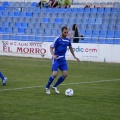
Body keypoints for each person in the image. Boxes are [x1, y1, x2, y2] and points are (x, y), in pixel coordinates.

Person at [45, 26, 80, 94]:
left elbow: (70, 48)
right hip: (56, 59)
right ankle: (47, 87)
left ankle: (55, 86)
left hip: (63, 60)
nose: (66, 33)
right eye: (65, 32)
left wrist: (75, 57)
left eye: (67, 32)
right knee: (55, 74)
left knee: (65, 74)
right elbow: (51, 47)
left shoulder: (68, 39)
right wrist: (53, 55)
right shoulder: (57, 39)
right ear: (62, 32)